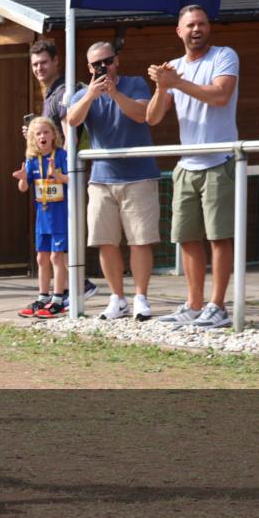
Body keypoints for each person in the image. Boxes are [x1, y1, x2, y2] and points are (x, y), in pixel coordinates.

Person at [147, 4, 239, 329]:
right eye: (190, 25)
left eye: (201, 23)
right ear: (179, 31)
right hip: (186, 164)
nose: (196, 29)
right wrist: (162, 86)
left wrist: (176, 82)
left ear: (208, 27)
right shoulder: (172, 67)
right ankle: (194, 304)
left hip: (219, 160)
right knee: (186, 237)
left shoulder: (224, 55)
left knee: (219, 237)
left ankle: (218, 306)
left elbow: (220, 96)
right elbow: (153, 117)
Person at [67, 42, 160, 321]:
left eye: (107, 61)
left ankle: (141, 297)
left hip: (139, 175)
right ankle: (117, 298)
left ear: (116, 61)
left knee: (140, 241)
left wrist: (115, 93)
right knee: (104, 241)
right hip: (102, 178)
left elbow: (141, 115)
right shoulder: (83, 94)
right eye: (97, 64)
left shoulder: (134, 84)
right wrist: (90, 96)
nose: (102, 68)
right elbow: (72, 121)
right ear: (89, 68)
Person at [21, 38, 98, 304]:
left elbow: (68, 131)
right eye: (35, 64)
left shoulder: (63, 92)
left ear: (56, 61)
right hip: (51, 182)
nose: (39, 68)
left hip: (63, 178)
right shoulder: (50, 93)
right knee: (52, 242)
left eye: (44, 62)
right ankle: (69, 287)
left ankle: (77, 285)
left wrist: (64, 166)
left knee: (61, 237)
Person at [14, 117, 70, 318]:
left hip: (60, 216)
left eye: (46, 132)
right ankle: (43, 297)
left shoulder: (62, 155)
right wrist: (22, 179)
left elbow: (72, 179)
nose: (42, 136)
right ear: (32, 139)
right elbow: (23, 187)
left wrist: (59, 177)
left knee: (57, 257)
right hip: (42, 218)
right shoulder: (31, 160)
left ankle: (58, 299)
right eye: (38, 134)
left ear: (54, 134)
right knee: (41, 258)